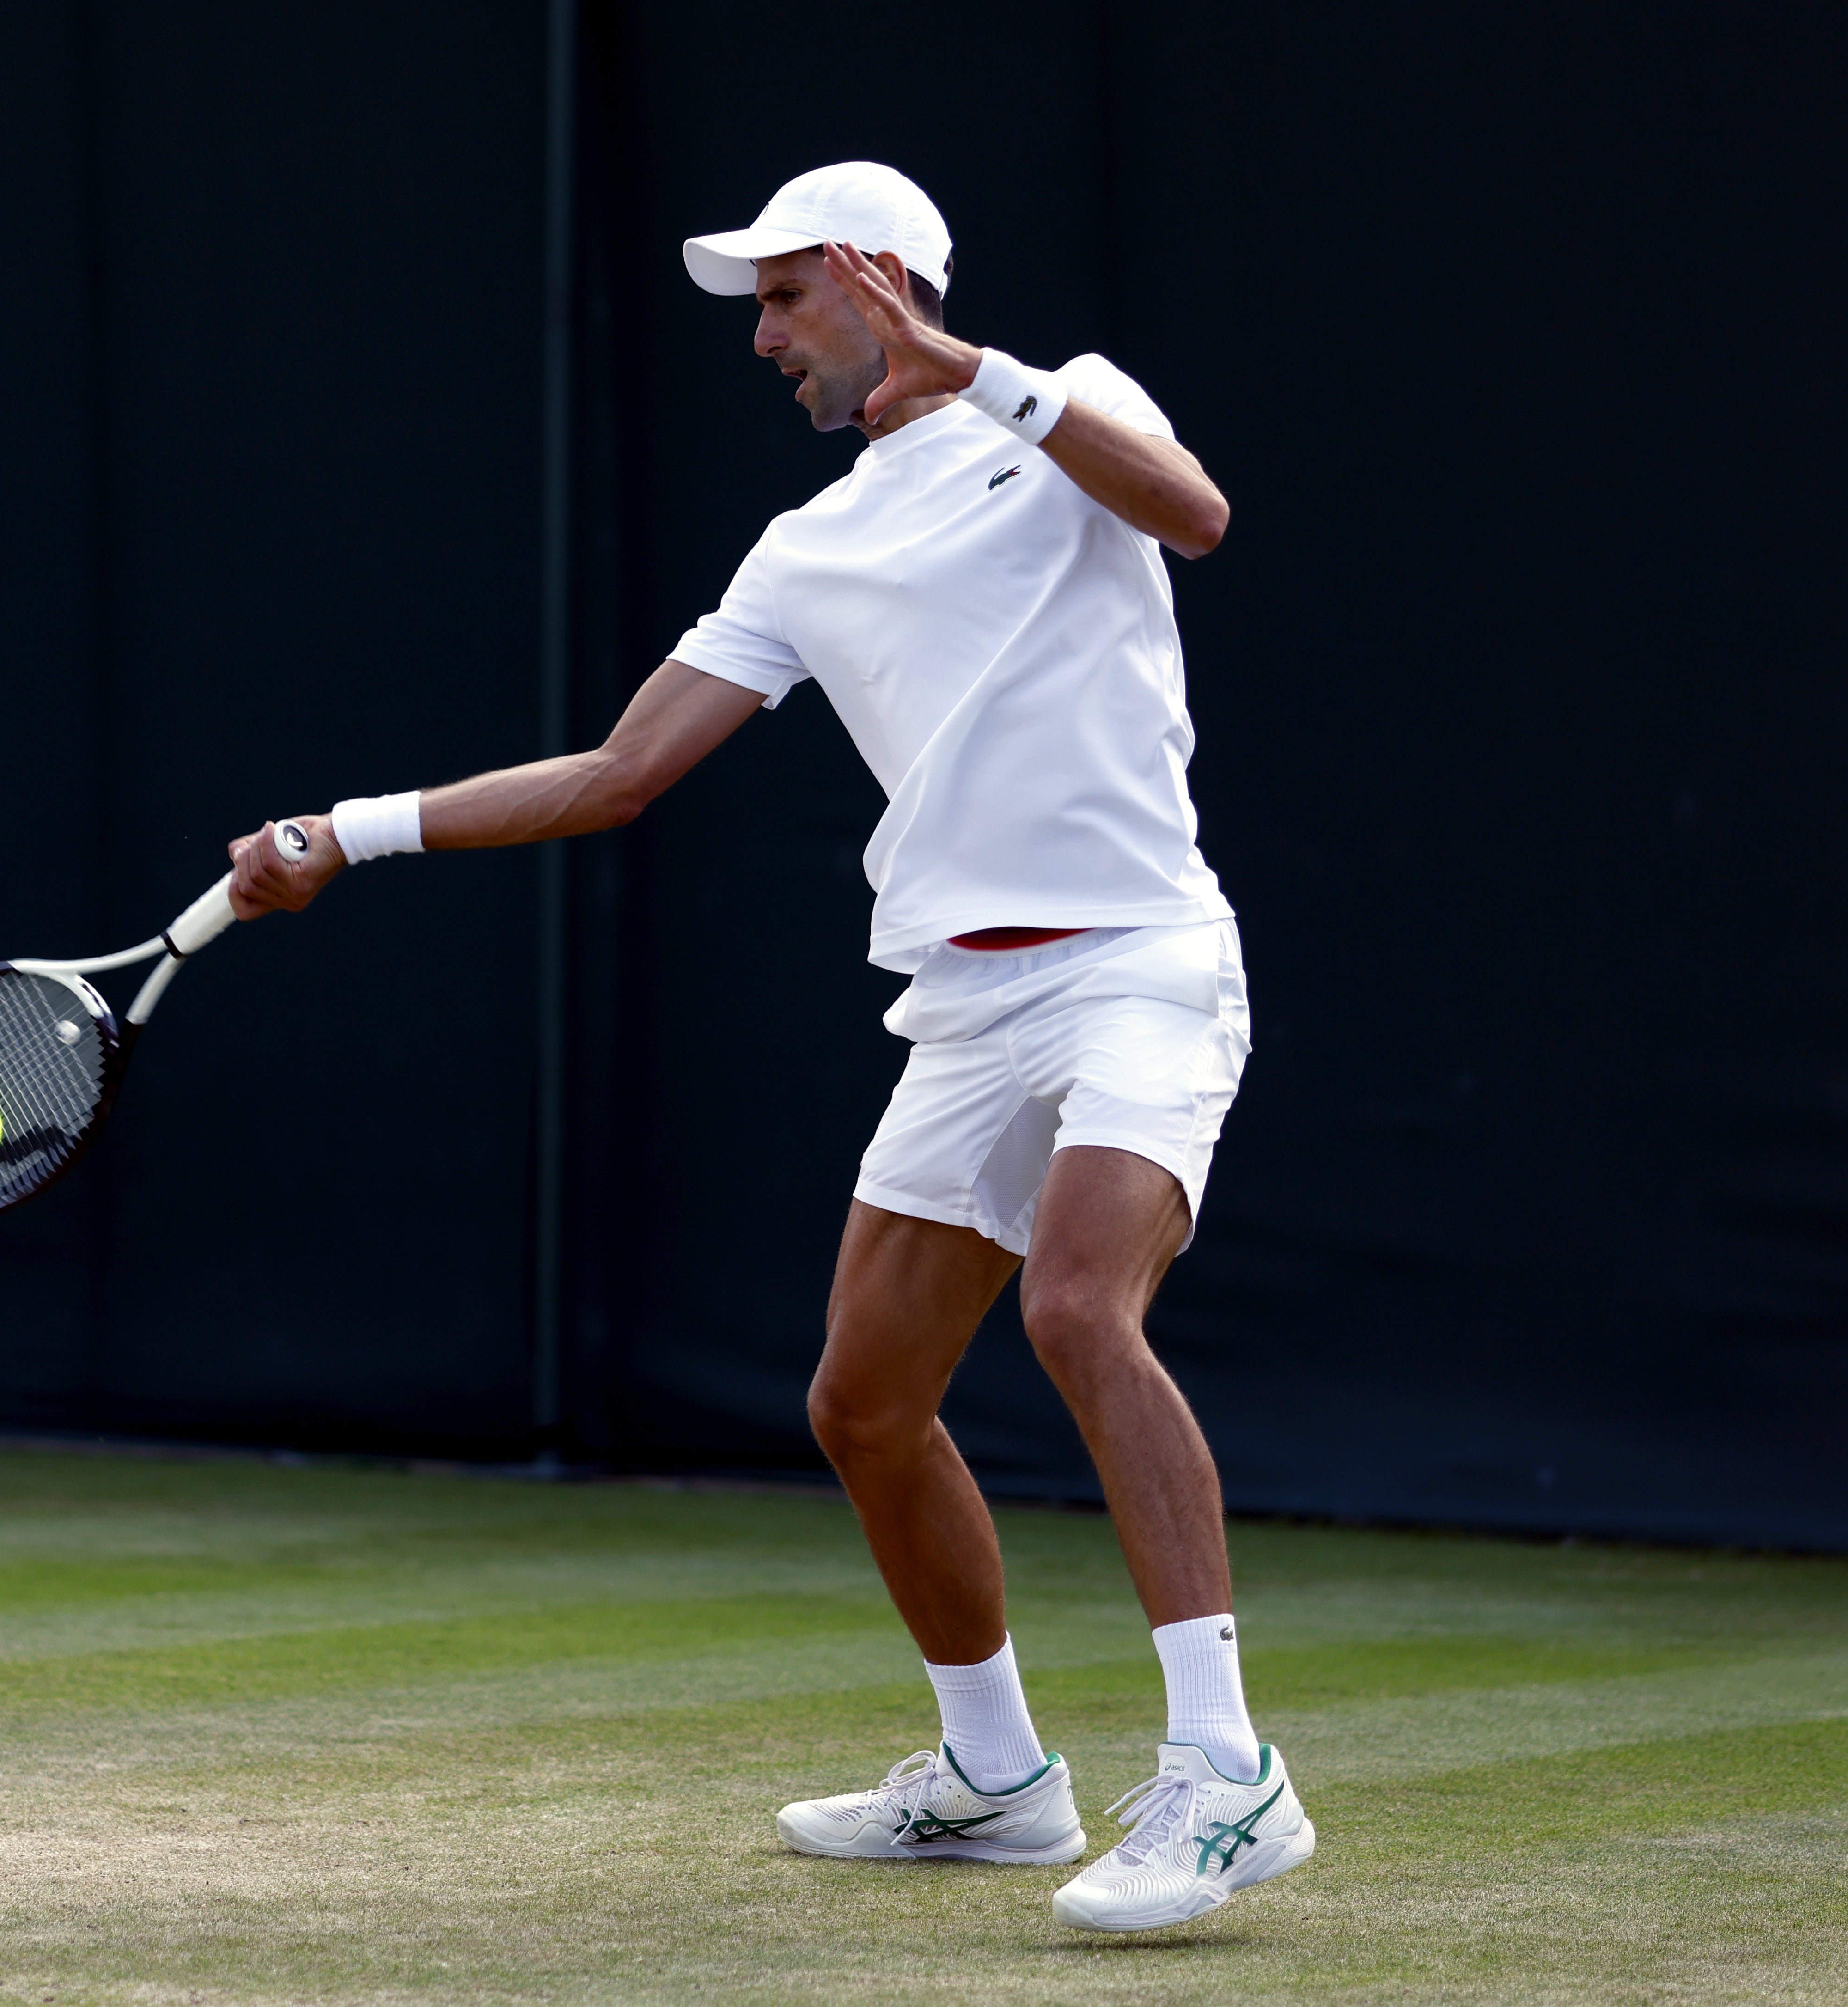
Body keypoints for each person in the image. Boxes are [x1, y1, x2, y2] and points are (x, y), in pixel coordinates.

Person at [224, 161, 1309, 1933]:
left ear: (877, 281)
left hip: (1137, 965)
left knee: (1070, 1306)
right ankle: (999, 1779)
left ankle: (1224, 1772)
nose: (760, 337)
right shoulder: (804, 549)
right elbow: (614, 775)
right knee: (863, 1402)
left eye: (784, 297)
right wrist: (348, 832)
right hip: (962, 1005)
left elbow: (1191, 515)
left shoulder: (1075, 405)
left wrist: (980, 377)